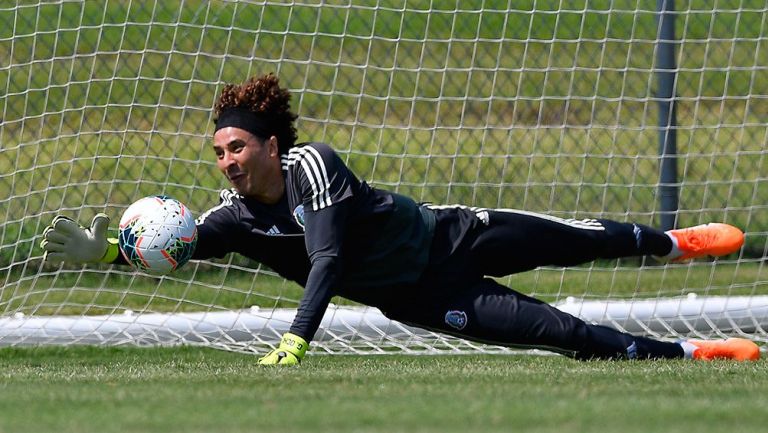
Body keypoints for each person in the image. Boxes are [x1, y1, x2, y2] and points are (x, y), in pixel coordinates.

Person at [41, 73, 760, 364]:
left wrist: (295, 340)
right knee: (562, 334)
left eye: (236, 146)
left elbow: (324, 258)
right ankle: (693, 355)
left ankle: (674, 243)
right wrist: (106, 257)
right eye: (217, 151)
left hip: (454, 233)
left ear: (269, 144)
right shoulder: (233, 218)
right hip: (427, 294)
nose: (226, 161)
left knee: (581, 239)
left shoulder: (313, 166)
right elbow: (187, 246)